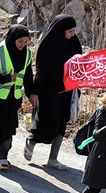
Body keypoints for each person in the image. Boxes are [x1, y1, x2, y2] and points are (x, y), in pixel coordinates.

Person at [23, 14, 82, 171]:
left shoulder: (74, 43)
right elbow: (42, 71)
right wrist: (35, 92)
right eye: (69, 31)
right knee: (47, 124)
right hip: (49, 92)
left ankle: (53, 158)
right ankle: (32, 140)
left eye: (73, 31)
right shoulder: (49, 44)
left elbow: (79, 65)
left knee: (62, 123)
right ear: (61, 30)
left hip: (68, 91)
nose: (72, 34)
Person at [0, 24, 33, 169]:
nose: (22, 45)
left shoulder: (27, 54)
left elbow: (28, 76)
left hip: (13, 98)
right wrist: (6, 78)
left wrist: (31, 95)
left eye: (25, 42)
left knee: (8, 128)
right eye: (20, 42)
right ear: (13, 39)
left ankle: (2, 156)